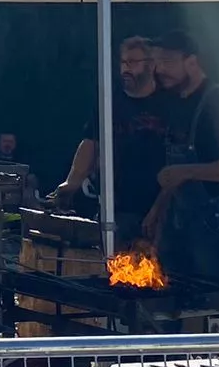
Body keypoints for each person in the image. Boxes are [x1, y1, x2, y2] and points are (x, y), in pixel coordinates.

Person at [146, 29, 219, 282]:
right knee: (175, 305)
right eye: (156, 62)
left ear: (192, 62)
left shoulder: (218, 102)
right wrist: (158, 210)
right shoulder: (176, 103)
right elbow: (173, 174)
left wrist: (187, 172)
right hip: (180, 225)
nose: (159, 69)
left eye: (167, 62)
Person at [50, 36, 175, 243]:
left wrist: (160, 208)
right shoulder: (110, 101)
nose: (126, 69)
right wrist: (71, 182)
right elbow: (90, 143)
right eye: (123, 62)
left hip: (159, 207)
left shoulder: (168, 103)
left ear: (151, 65)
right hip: (116, 208)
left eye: (133, 63)